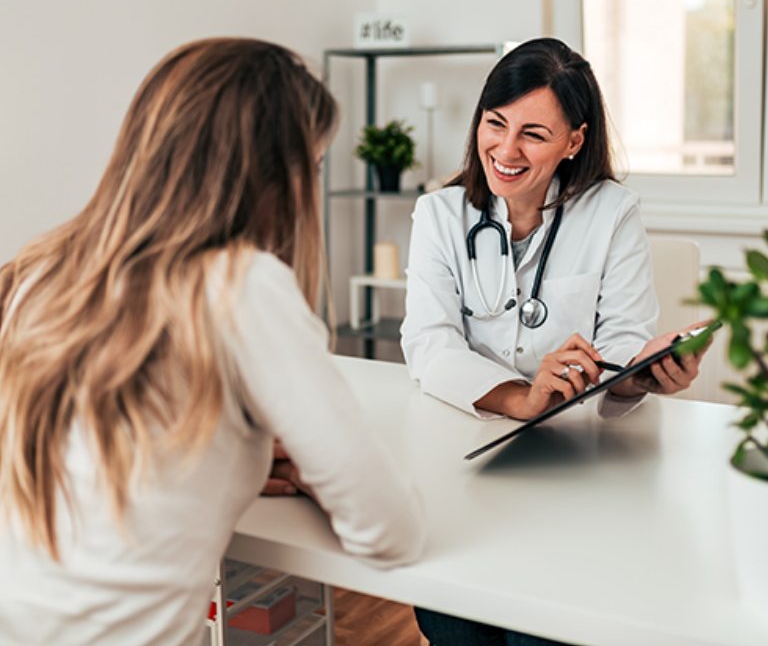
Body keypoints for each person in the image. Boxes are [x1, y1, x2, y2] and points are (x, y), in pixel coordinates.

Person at [0, 38, 425, 646]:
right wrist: (311, 469)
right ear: (277, 175)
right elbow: (391, 532)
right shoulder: (242, 286)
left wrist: (240, 457)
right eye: (317, 164)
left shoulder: (38, 270)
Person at [400, 37, 707, 646]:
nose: (505, 150)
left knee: (540, 634)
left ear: (574, 140)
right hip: (464, 470)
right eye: (495, 123)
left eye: (533, 134)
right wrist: (520, 396)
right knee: (450, 624)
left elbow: (621, 341)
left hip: (576, 476)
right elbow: (429, 344)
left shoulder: (612, 212)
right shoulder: (439, 215)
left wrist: (640, 373)